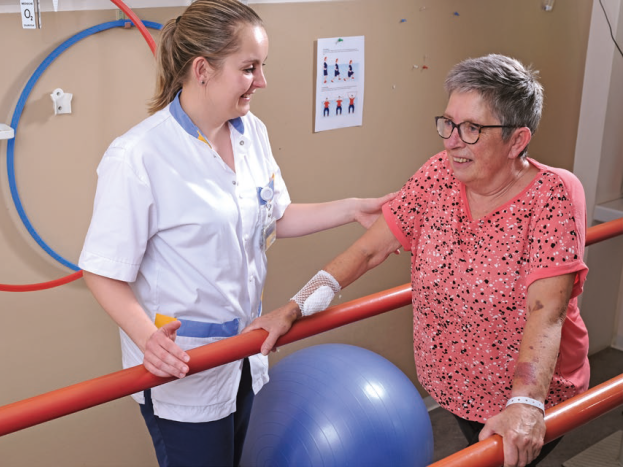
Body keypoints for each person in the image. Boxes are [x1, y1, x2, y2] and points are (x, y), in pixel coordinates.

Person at [78, 1, 392, 466]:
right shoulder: (138, 157)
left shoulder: (251, 133)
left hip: (247, 351)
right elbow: (101, 271)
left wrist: (351, 209)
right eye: (249, 68)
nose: (261, 81)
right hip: (185, 368)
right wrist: (148, 339)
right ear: (202, 69)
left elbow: (275, 216)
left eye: (261, 66)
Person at [245, 54, 590, 467]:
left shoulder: (553, 195)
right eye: (448, 123)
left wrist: (524, 402)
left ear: (517, 140)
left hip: (528, 396)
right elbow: (367, 250)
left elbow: (546, 311)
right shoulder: (438, 175)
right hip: (454, 387)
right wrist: (295, 306)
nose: (452, 140)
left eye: (472, 129)